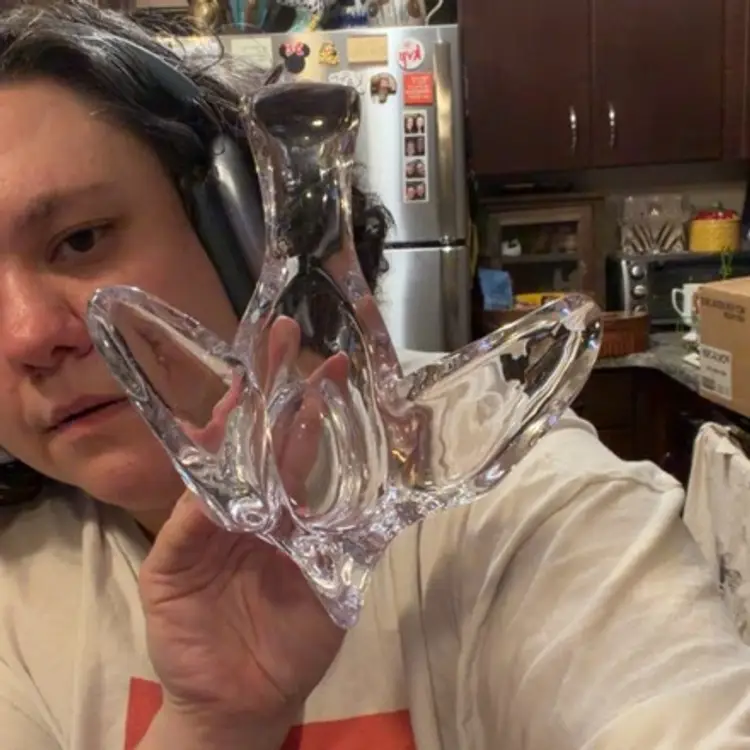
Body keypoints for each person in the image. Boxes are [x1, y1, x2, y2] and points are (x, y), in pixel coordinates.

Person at [2, 3, 750, 750]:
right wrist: (210, 727)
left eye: (81, 240)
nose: (27, 336)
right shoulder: (17, 589)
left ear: (240, 228)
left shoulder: (515, 505)